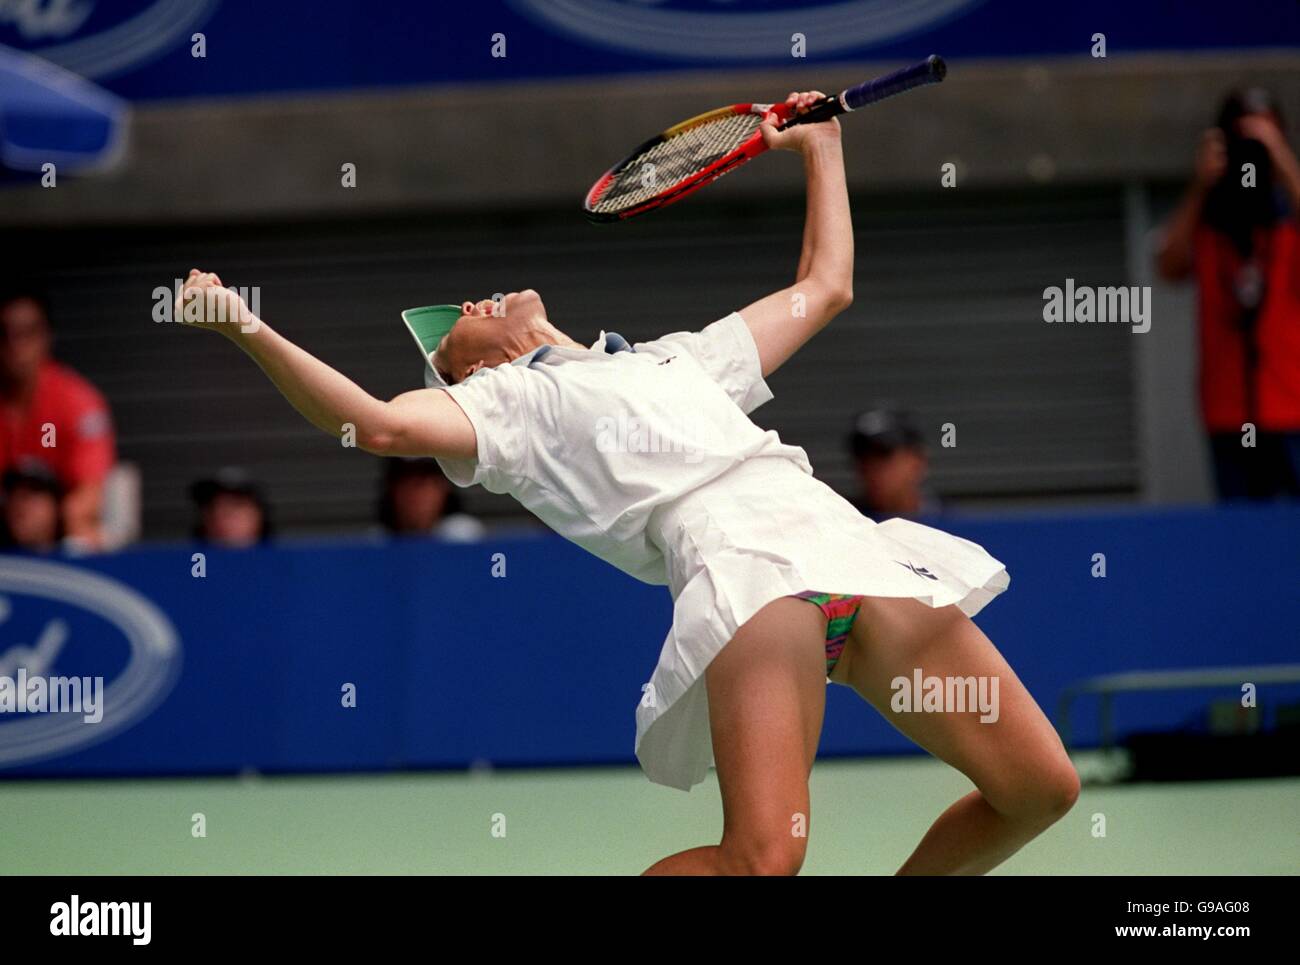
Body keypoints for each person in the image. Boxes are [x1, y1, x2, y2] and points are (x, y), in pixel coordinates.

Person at [174, 91, 1077, 875]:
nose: (475, 304)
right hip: (756, 580)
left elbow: (826, 283)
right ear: (468, 375)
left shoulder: (678, 360)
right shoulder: (514, 410)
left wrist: (822, 148)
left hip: (857, 556)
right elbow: (374, 421)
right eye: (454, 329)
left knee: (1041, 788)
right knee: (765, 857)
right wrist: (244, 327)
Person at [1156, 88, 1300, 501]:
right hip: (1228, 412)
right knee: (1239, 534)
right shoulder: (1208, 217)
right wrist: (1201, 185)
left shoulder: (1289, 215)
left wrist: (1281, 161)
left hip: (1290, 409)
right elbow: (1168, 265)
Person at [0, 286, 116, 546]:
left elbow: (88, 494)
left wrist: (55, 518)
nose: (16, 346)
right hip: (4, 523)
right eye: (5, 335)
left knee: (85, 534)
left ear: (46, 337)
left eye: (26, 333)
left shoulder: (79, 402)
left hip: (59, 529)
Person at [848, 406, 939, 519]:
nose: (872, 465)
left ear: (917, 461)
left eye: (884, 453)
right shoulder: (840, 527)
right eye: (862, 455)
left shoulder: (954, 528)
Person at [378, 457, 485, 541]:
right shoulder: (375, 544)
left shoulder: (465, 537)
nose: (417, 493)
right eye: (406, 481)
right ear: (392, 489)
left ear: (445, 487)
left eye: (424, 482)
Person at [190, 467, 273, 548]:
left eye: (236, 505)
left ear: (259, 514)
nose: (219, 515)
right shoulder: (186, 559)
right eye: (212, 507)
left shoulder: (282, 560)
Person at [0, 460, 63, 552]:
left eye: (32, 493)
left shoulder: (79, 559)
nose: (19, 504)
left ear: (56, 506)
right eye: (12, 494)